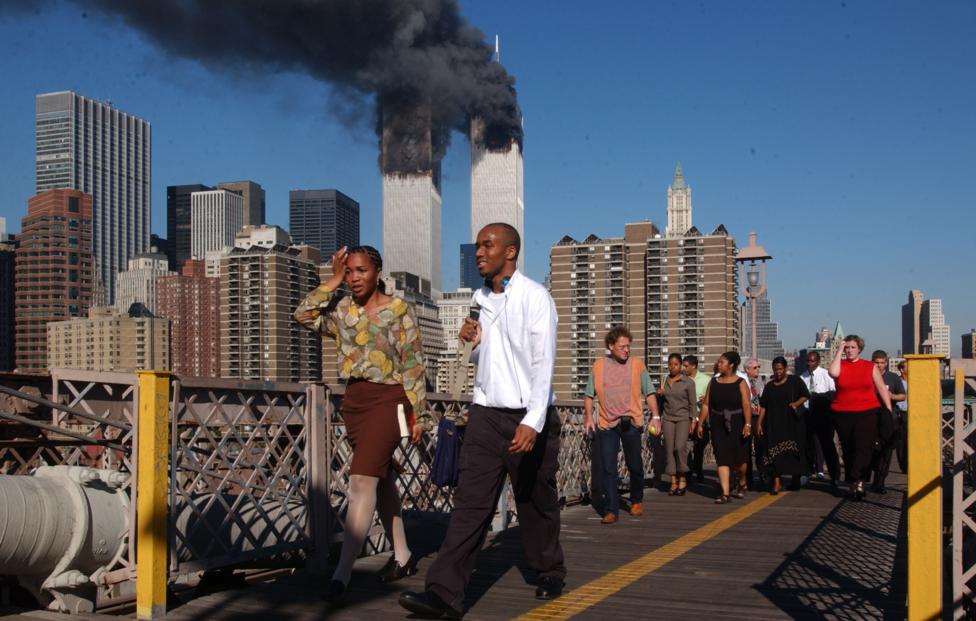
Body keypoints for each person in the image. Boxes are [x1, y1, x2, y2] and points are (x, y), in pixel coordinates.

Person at [399, 223, 565, 619]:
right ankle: (443, 595)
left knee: (535, 502)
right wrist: (473, 344)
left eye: (487, 245)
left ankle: (549, 571)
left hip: (529, 415)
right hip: (486, 416)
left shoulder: (536, 298)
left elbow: (544, 365)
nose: (478, 253)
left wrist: (534, 420)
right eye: (476, 246)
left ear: (510, 252)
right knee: (470, 506)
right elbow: (487, 361)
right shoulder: (477, 300)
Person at [294, 245, 428, 601]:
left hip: (390, 399)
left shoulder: (399, 310)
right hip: (354, 402)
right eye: (349, 272)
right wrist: (332, 279)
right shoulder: (341, 310)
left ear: (378, 272)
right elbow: (303, 314)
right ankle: (403, 555)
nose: (354, 278)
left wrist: (420, 416)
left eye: (361, 271)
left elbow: (413, 364)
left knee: (361, 480)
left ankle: (342, 572)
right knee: (380, 481)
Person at [582, 326, 658, 523]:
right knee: (608, 468)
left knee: (635, 465)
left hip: (631, 422)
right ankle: (611, 510)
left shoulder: (637, 365)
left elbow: (649, 392)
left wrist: (656, 417)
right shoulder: (598, 366)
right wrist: (589, 417)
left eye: (628, 347)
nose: (627, 350)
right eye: (622, 346)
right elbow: (589, 395)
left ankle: (636, 500)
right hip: (607, 424)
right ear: (611, 346)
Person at [828, 335, 893, 500]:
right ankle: (853, 482)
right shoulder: (840, 365)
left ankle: (859, 482)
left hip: (867, 412)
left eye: (852, 347)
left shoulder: (869, 366)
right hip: (843, 413)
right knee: (848, 448)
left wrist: (888, 410)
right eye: (847, 347)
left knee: (863, 447)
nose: (849, 351)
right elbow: (833, 372)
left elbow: (881, 388)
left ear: (859, 349)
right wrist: (839, 350)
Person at [698, 351, 752, 503]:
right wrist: (701, 423)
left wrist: (748, 424)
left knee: (740, 461)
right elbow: (706, 404)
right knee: (722, 458)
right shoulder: (713, 382)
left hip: (737, 422)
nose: (718, 364)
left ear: (732, 365)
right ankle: (725, 493)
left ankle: (742, 481)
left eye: (722, 362)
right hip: (718, 423)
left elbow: (746, 404)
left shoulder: (741, 382)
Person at [756, 356, 810, 494]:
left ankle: (795, 479)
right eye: (775, 369)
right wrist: (759, 423)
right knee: (774, 453)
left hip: (793, 423)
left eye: (780, 369)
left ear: (785, 369)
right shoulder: (769, 386)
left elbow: (805, 395)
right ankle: (777, 483)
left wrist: (796, 404)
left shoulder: (795, 381)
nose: (778, 372)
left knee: (794, 452)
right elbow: (763, 406)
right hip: (774, 424)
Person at [799, 351, 841, 493]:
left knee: (826, 445)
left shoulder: (826, 374)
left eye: (812, 361)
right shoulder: (802, 376)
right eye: (807, 361)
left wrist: (820, 397)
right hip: (807, 414)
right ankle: (807, 471)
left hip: (823, 414)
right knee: (807, 444)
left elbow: (834, 392)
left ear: (818, 361)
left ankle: (833, 476)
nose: (809, 363)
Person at [657, 353, 697, 496]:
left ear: (680, 365)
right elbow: (661, 403)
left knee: (679, 447)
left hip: (683, 418)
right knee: (669, 449)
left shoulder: (688, 382)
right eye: (670, 364)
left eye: (675, 364)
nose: (672, 367)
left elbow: (693, 404)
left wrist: (694, 420)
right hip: (667, 418)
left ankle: (683, 477)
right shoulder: (665, 380)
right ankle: (673, 481)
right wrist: (660, 393)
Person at [870, 350, 907, 494]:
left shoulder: (893, 378)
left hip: (889, 418)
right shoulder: (867, 376)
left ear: (886, 362)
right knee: (871, 450)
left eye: (882, 363)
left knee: (886, 451)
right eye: (876, 363)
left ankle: (880, 482)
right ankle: (870, 478)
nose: (879, 366)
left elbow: (903, 396)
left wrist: (891, 396)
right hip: (870, 417)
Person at [683, 355, 711, 483]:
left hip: (701, 417)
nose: (684, 368)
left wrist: (704, 399)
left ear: (694, 366)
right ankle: (687, 471)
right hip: (685, 417)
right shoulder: (681, 379)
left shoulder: (706, 380)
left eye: (686, 366)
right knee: (684, 445)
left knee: (700, 445)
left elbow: (711, 399)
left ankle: (698, 469)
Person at [744, 359, 765, 490]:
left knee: (760, 447)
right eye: (755, 367)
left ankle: (762, 474)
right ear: (747, 369)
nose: (757, 369)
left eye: (758, 367)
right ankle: (748, 478)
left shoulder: (760, 381)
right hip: (747, 417)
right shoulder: (742, 381)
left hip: (758, 418)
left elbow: (763, 399)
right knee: (746, 448)